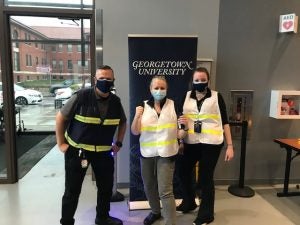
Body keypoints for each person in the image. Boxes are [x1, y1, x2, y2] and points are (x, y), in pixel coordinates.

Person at [56, 65, 127, 225]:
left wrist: (119, 142)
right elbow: (60, 118)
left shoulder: (115, 102)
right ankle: (66, 221)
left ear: (113, 81)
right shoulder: (81, 96)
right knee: (72, 191)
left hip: (103, 153)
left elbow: (123, 123)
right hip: (77, 151)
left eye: (108, 79)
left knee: (105, 188)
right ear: (95, 80)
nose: (105, 81)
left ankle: (102, 218)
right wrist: (61, 143)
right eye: (101, 78)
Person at [176, 67, 234, 225]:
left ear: (208, 81)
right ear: (192, 81)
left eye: (203, 80)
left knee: (205, 177)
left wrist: (230, 146)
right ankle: (189, 202)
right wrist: (181, 141)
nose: (200, 83)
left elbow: (225, 122)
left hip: (211, 143)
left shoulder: (216, 96)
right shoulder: (186, 96)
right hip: (191, 141)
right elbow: (181, 120)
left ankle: (206, 214)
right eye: (197, 80)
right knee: (182, 171)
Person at [131, 75, 187, 225]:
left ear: (167, 89)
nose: (159, 90)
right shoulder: (142, 107)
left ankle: (171, 222)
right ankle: (155, 212)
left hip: (167, 154)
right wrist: (136, 117)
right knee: (148, 186)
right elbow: (135, 132)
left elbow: (180, 133)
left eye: (162, 88)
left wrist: (185, 128)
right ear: (150, 89)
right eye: (156, 88)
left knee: (165, 191)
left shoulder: (174, 106)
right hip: (147, 154)